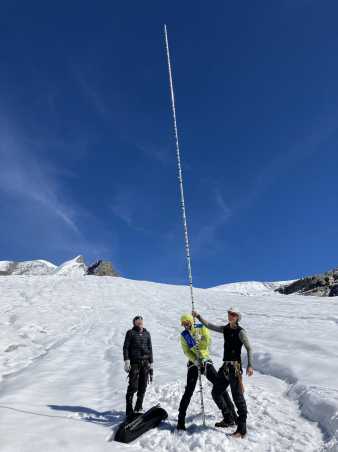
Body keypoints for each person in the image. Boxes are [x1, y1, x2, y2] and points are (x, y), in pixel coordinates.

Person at [192, 307, 253, 438]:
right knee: (216, 392)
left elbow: (249, 348)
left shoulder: (241, 332)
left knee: (238, 398)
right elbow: (209, 325)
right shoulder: (225, 329)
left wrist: (250, 365)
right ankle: (228, 418)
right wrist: (198, 316)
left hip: (235, 368)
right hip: (225, 367)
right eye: (229, 313)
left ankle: (242, 429)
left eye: (233, 314)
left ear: (237, 317)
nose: (230, 315)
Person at [177, 313, 237, 431]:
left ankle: (231, 416)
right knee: (188, 390)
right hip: (194, 363)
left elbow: (208, 343)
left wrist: (200, 340)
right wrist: (195, 360)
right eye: (183, 324)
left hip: (205, 360)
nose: (185, 325)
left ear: (191, 321)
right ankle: (180, 420)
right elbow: (186, 351)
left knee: (220, 386)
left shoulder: (200, 327)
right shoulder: (184, 335)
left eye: (187, 323)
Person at [123, 315, 153, 420]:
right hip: (134, 363)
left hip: (145, 363)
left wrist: (151, 363)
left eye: (141, 320)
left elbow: (150, 348)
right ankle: (129, 409)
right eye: (137, 321)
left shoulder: (147, 333)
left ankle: (138, 407)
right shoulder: (130, 333)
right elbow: (126, 347)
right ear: (134, 323)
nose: (140, 322)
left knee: (143, 386)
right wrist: (127, 361)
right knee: (133, 386)